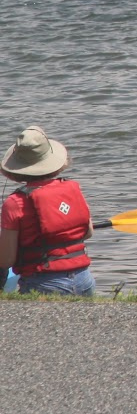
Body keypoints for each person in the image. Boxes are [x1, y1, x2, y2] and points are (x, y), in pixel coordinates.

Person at [1, 126, 96, 297]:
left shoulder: (14, 203)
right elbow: (87, 232)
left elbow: (7, 260)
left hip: (43, 283)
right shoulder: (72, 190)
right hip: (84, 279)